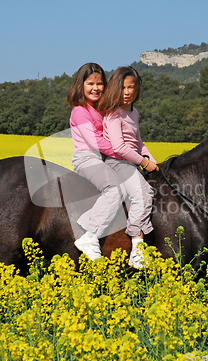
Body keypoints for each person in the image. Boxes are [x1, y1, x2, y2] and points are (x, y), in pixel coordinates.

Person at [98, 66, 159, 268]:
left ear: (137, 88)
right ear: (116, 88)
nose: (127, 92)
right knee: (143, 193)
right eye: (123, 87)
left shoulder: (134, 113)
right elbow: (119, 147)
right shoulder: (114, 113)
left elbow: (138, 142)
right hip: (117, 162)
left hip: (130, 162)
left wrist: (151, 158)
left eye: (131, 87)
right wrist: (143, 162)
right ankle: (137, 248)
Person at [68, 62, 125, 261]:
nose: (96, 88)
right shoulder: (79, 111)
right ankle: (89, 235)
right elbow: (96, 142)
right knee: (115, 189)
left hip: (106, 160)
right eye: (90, 83)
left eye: (100, 83)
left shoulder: (102, 110)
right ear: (80, 85)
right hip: (87, 159)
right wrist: (122, 152)